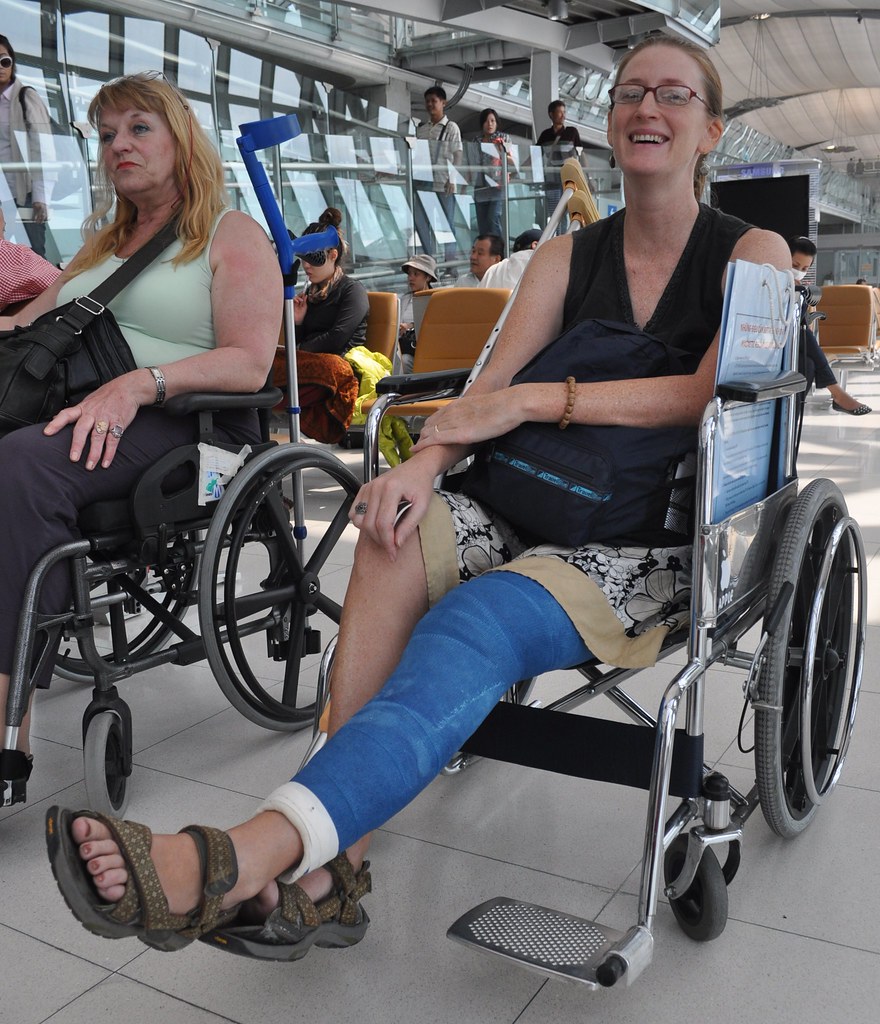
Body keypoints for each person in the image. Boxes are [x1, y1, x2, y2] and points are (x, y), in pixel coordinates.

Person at [47, 37, 790, 964]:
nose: (647, 108)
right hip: (533, 493)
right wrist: (420, 467)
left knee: (475, 621)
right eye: (631, 92)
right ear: (610, 122)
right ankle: (336, 867)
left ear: (710, 130)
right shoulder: (566, 258)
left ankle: (249, 856)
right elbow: (488, 383)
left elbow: (704, 393)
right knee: (390, 534)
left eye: (673, 95)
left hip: (653, 534)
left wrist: (533, 403)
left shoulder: (747, 251)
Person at [0, 72, 280, 761]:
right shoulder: (99, 247)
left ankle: (10, 721)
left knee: (25, 464)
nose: (118, 145)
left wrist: (140, 384)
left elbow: (249, 362)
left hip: (198, 428)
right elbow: (25, 326)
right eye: (105, 135)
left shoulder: (230, 232)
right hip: (89, 417)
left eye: (137, 129)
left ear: (180, 139)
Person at [789, 236, 871, 415]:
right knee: (804, 334)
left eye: (804, 269)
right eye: (795, 266)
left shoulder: (799, 290)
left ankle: (791, 428)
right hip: (771, 343)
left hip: (794, 345)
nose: (799, 272)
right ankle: (837, 392)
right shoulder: (769, 283)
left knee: (808, 365)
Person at [0, 35, 53, 256]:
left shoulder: (25, 97)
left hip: (26, 195)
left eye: (4, 61)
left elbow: (44, 148)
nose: (1, 67)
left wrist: (41, 197)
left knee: (32, 254)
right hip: (1, 197)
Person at [292, 208, 368, 355]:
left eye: (313, 258)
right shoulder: (309, 295)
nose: (306, 265)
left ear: (333, 255)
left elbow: (337, 338)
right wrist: (298, 322)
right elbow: (298, 341)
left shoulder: (352, 291)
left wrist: (300, 350)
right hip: (312, 365)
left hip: (341, 368)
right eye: (303, 258)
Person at [413, 86, 462, 260]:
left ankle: (450, 261)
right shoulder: (422, 128)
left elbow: (458, 154)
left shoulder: (451, 127)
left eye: (434, 101)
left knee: (446, 224)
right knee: (422, 222)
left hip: (443, 182)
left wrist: (453, 179)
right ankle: (428, 259)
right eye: (428, 101)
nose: (430, 104)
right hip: (423, 180)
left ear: (443, 103)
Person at [0, 205, 60, 310]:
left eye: (4, 231)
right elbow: (61, 287)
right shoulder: (14, 254)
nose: (4, 239)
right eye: (3, 230)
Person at [536, 99, 581, 229]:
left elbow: (580, 154)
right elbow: (536, 155)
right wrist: (518, 170)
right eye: (559, 112)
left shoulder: (571, 132)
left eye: (564, 112)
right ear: (551, 114)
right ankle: (555, 238)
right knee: (554, 211)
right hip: (551, 179)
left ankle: (562, 239)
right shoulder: (546, 135)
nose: (563, 115)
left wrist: (586, 176)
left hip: (568, 178)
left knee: (565, 210)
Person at [470, 108, 512, 239]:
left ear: (497, 123)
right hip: (480, 185)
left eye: (493, 121)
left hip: (498, 184)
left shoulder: (503, 138)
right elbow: (472, 163)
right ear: (482, 123)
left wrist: (501, 152)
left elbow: (512, 162)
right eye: (487, 121)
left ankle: (497, 251)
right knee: (482, 223)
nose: (490, 124)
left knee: (493, 219)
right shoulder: (476, 141)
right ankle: (486, 252)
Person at [397, 252, 437, 374]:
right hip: (403, 347)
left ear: (428, 277)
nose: (411, 278)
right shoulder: (404, 299)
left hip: (424, 351)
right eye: (409, 274)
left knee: (404, 361)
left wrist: (410, 326)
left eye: (416, 274)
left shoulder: (435, 298)